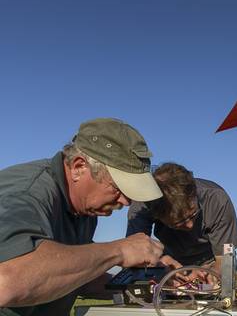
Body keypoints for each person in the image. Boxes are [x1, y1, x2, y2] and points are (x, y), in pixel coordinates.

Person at [0, 118, 165, 316]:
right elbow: (8, 282)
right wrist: (119, 250)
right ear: (79, 167)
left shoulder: (86, 209)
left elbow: (72, 277)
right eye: (118, 188)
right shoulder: (26, 193)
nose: (126, 201)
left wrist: (153, 284)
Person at [127, 162, 237, 280]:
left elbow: (224, 260)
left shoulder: (216, 200)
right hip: (171, 262)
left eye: (193, 215)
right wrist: (160, 263)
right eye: (178, 224)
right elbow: (136, 254)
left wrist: (210, 273)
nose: (190, 225)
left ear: (194, 193)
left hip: (211, 260)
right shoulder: (141, 208)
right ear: (157, 215)